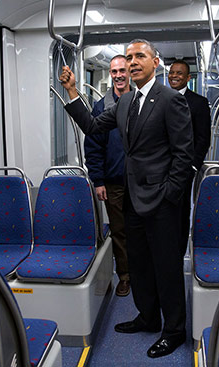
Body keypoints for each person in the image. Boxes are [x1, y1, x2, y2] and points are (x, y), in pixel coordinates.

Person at [60, 39, 193, 358]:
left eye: (140, 56)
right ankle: (147, 317)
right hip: (132, 199)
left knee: (167, 266)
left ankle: (173, 330)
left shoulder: (170, 100)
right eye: (129, 57)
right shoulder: (125, 102)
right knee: (139, 263)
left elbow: (183, 155)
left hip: (161, 201)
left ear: (155, 62)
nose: (133, 62)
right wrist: (72, 91)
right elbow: (92, 127)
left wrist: (169, 196)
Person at [84, 55, 131, 297]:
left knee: (144, 230)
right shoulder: (101, 107)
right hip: (114, 182)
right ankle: (124, 275)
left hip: (143, 183)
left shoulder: (142, 102)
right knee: (120, 231)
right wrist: (98, 180)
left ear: (129, 72)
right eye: (114, 71)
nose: (118, 75)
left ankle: (145, 274)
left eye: (122, 70)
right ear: (110, 75)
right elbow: (93, 147)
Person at [168, 60, 211, 257]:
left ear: (188, 78)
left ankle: (178, 251)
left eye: (179, 73)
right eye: (171, 73)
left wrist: (193, 167)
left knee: (182, 210)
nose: (174, 76)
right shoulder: (162, 99)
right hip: (160, 168)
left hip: (185, 168)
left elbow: (203, 139)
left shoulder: (199, 103)